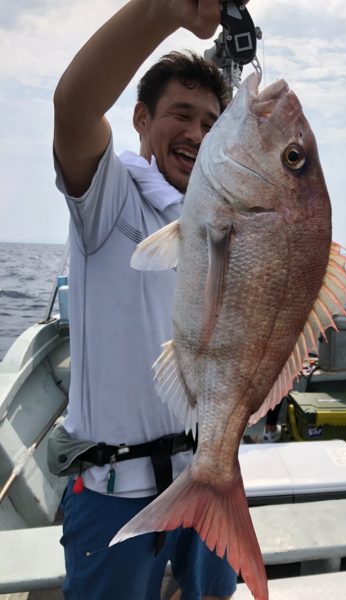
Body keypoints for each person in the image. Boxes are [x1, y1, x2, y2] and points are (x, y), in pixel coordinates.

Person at [50, 1, 238, 599]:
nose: (196, 134)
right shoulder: (109, 193)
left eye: (212, 124)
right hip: (114, 494)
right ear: (139, 118)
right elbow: (73, 108)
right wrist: (164, 10)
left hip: (210, 476)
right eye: (181, 115)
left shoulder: (223, 220)